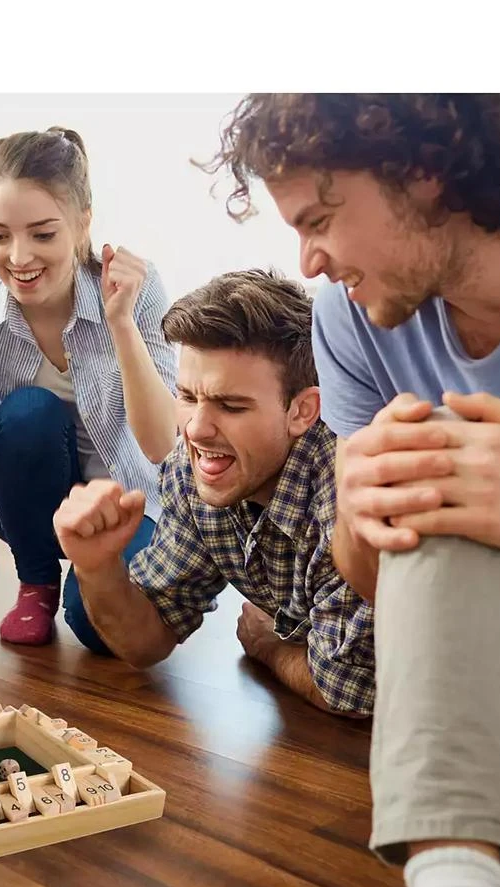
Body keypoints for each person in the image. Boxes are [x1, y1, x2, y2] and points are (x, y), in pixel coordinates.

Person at [204, 92, 500, 887]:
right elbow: (375, 587)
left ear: (426, 172)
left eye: (321, 218)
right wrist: (359, 518)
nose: (308, 260)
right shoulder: (350, 320)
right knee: (428, 459)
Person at [0, 127, 177, 650]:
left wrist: (122, 324)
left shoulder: (135, 288)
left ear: (82, 224)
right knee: (27, 411)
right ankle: (37, 580)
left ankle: (92, 582)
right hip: (27, 496)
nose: (20, 257)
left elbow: (164, 443)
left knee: (100, 631)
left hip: (125, 496)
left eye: (43, 234)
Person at [53, 268, 375, 716]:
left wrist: (268, 647)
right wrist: (98, 567)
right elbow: (147, 642)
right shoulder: (194, 470)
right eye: (187, 396)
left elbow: (351, 691)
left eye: (230, 405)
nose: (196, 429)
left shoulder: (346, 499)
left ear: (303, 411)